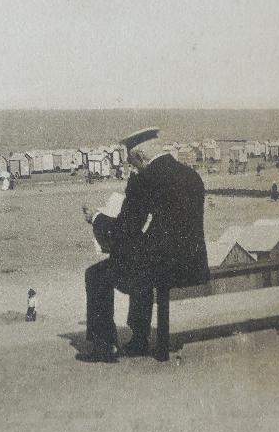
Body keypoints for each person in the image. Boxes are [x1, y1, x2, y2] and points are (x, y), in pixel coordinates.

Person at [80, 127, 209, 362]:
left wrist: (97, 218)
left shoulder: (144, 181)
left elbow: (124, 231)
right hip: (193, 264)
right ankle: (138, 339)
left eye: (132, 163)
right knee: (140, 258)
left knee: (97, 275)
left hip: (164, 269)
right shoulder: (191, 176)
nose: (132, 168)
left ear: (140, 157)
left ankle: (104, 346)